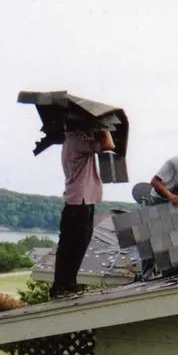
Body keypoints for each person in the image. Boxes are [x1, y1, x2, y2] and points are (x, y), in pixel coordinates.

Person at [50, 126, 115, 298]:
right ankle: (63, 286)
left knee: (75, 245)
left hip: (79, 201)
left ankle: (67, 285)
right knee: (73, 245)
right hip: (79, 201)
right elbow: (108, 145)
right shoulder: (76, 141)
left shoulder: (72, 139)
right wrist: (104, 127)